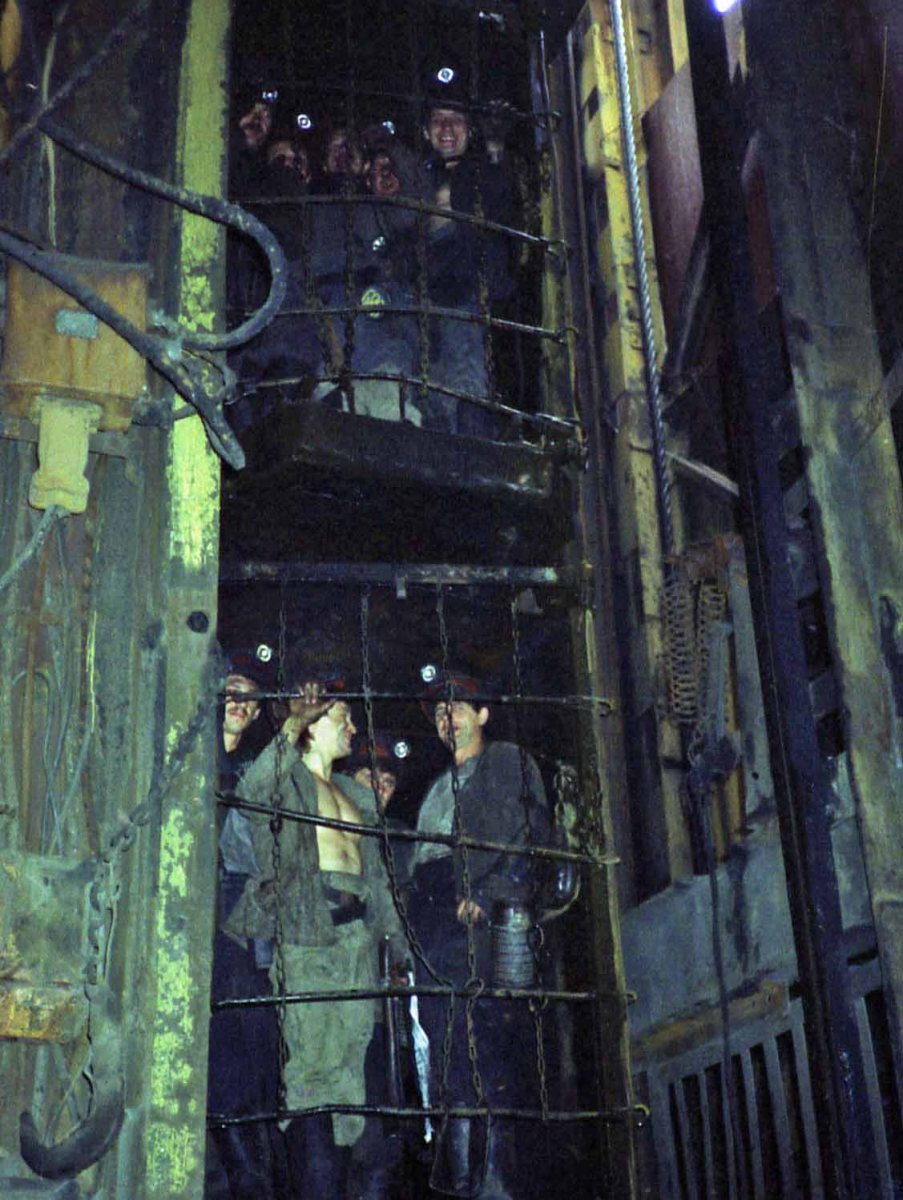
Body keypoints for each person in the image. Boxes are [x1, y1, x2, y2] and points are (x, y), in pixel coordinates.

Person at [224, 673, 406, 1197]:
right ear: (315, 724)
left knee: (355, 1071)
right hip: (308, 933)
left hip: (357, 943)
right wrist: (290, 727)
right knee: (311, 1076)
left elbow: (378, 878)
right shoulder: (285, 779)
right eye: (343, 717)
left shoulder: (355, 793)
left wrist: (396, 948)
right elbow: (252, 793)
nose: (353, 728)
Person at [406, 671, 549, 1199]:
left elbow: (529, 834)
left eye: (458, 709)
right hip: (433, 923)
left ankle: (495, 1184)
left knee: (485, 1050)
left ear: (483, 714)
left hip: (477, 923)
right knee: (446, 1052)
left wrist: (489, 895)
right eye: (440, 713)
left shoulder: (505, 762)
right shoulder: (437, 786)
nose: (447, 719)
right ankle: (463, 1180)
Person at [206, 649, 282, 1200]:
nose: (240, 702)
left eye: (250, 699)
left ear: (256, 714)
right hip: (199, 928)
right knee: (221, 1067)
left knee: (249, 1065)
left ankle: (251, 1181)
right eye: (233, 690)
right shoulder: (189, 755)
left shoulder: (254, 776)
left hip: (238, 935)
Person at [421, 89, 516, 437]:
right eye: (438, 120)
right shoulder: (414, 176)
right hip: (423, 303)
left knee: (468, 388)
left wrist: (495, 147)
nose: (446, 128)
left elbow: (504, 206)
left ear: (470, 129)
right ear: (425, 131)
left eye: (456, 120)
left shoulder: (483, 173)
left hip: (472, 298)